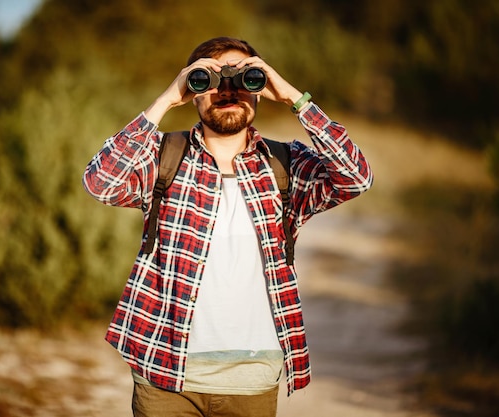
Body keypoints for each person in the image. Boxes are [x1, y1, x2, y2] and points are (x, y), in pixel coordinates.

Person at [83, 37, 373, 417]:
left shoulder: (285, 165)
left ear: (259, 88)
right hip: (165, 376)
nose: (228, 90)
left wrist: (294, 99)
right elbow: (100, 182)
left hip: (252, 379)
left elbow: (356, 177)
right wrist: (166, 99)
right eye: (210, 79)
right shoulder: (162, 156)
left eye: (243, 77)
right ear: (193, 89)